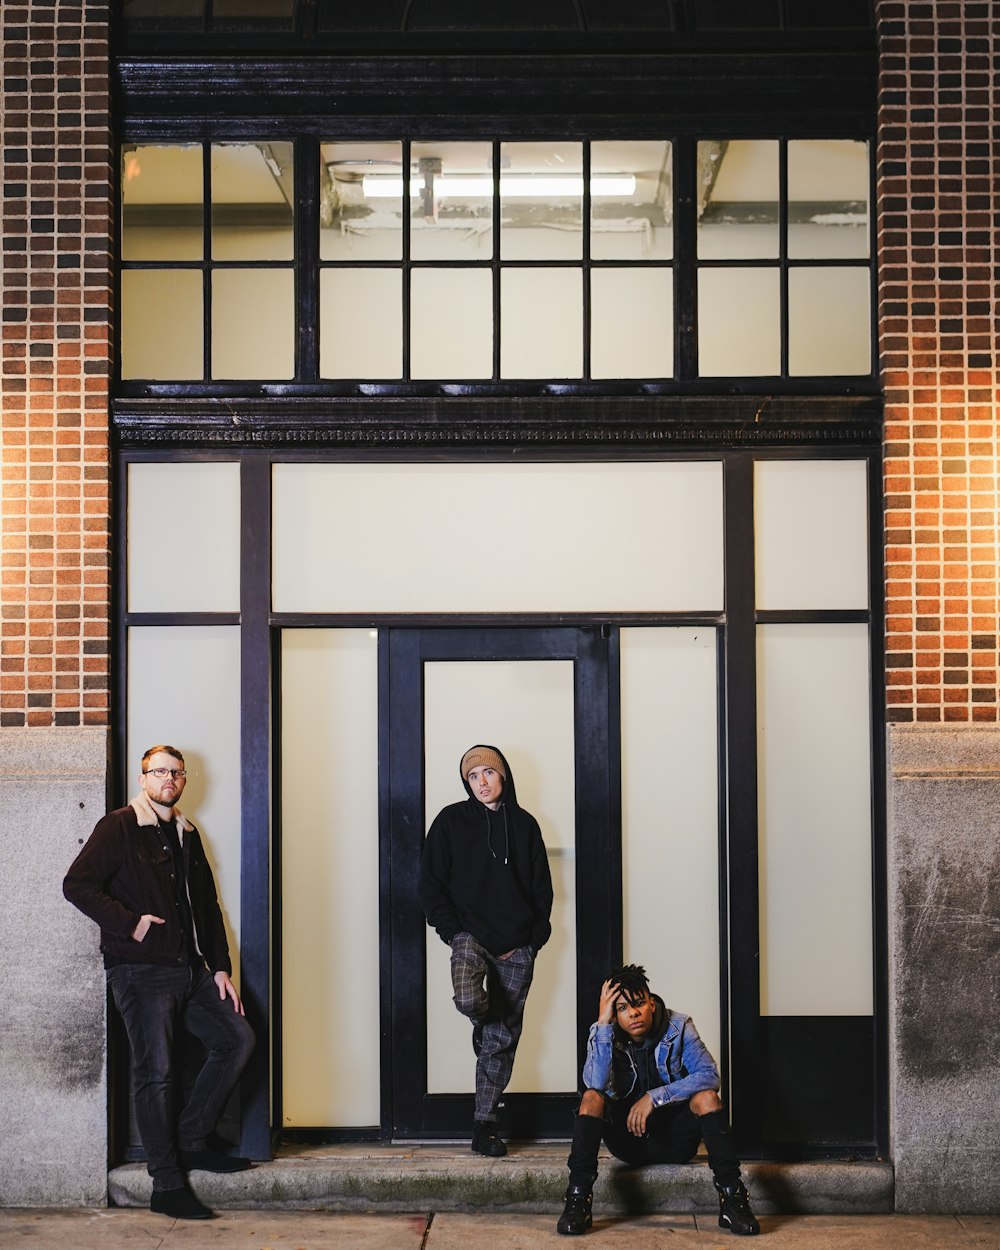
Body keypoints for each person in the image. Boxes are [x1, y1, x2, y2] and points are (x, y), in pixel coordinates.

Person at [64, 745, 256, 1221]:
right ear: (144, 777)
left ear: (184, 780)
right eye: (160, 771)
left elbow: (207, 907)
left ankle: (192, 1139)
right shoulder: (120, 826)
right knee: (157, 1072)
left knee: (236, 1039)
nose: (169, 778)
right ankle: (166, 1184)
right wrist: (131, 924)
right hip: (140, 969)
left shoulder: (187, 833)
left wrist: (220, 967)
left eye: (177, 772)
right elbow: (77, 884)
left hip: (189, 971)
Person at [419, 744, 554, 1157]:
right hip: (470, 937)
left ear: (503, 776)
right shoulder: (450, 822)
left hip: (516, 946)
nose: (481, 782)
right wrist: (452, 931)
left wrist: (533, 940)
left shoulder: (526, 825)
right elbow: (431, 884)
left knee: (499, 1042)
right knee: (470, 999)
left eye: (488, 774)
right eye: (473, 775)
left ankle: (484, 1126)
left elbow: (542, 889)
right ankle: (485, 1023)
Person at [557, 963, 759, 1237]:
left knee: (707, 1097)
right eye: (623, 1008)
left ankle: (732, 1199)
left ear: (651, 1003)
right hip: (627, 1141)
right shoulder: (607, 1032)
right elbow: (595, 1083)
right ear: (615, 1015)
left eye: (639, 1003)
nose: (634, 1013)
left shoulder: (679, 1026)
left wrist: (655, 1097)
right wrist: (603, 1023)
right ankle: (578, 1200)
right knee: (592, 1098)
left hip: (675, 1140)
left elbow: (709, 1075)